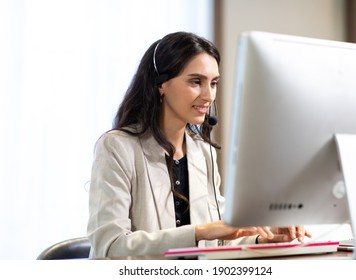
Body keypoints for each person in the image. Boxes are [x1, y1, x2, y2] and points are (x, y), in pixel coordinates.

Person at [87, 31, 311, 259]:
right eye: (196, 82)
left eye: (213, 83)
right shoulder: (117, 148)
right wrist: (199, 232)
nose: (209, 95)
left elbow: (220, 239)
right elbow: (110, 245)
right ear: (161, 84)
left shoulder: (203, 151)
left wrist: (265, 237)